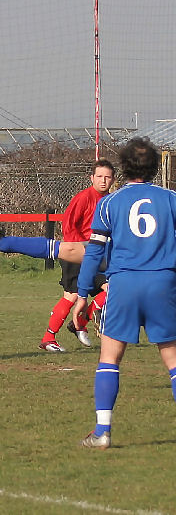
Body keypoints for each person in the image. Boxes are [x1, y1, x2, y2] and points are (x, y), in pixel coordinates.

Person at [72, 138, 176, 449]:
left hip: (124, 285)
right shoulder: (171, 199)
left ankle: (102, 431)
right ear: (156, 168)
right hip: (162, 283)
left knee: (109, 358)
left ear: (123, 168)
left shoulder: (108, 203)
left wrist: (82, 293)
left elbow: (93, 252)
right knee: (173, 360)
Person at [39, 160, 115, 353]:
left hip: (98, 257)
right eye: (99, 176)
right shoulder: (84, 197)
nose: (103, 180)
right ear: (92, 178)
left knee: (114, 289)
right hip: (78, 254)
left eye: (107, 177)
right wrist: (78, 251)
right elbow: (69, 226)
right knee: (72, 296)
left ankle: (78, 322)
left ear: (113, 179)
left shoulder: (112, 200)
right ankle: (49, 338)